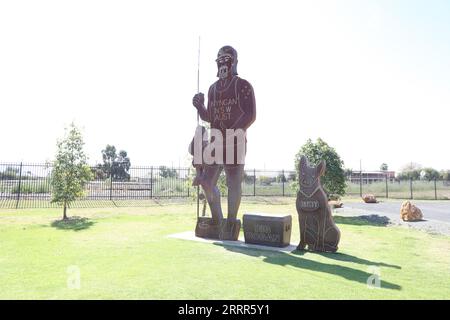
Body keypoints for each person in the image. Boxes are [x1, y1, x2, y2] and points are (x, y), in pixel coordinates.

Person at [192, 45, 256, 237]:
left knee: (233, 182)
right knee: (206, 181)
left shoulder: (242, 85)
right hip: (215, 142)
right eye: (219, 60)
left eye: (226, 59)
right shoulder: (213, 89)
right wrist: (200, 106)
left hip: (235, 142)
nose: (223, 63)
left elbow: (250, 115)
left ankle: (231, 221)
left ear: (234, 61)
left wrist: (231, 132)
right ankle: (217, 219)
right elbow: (210, 117)